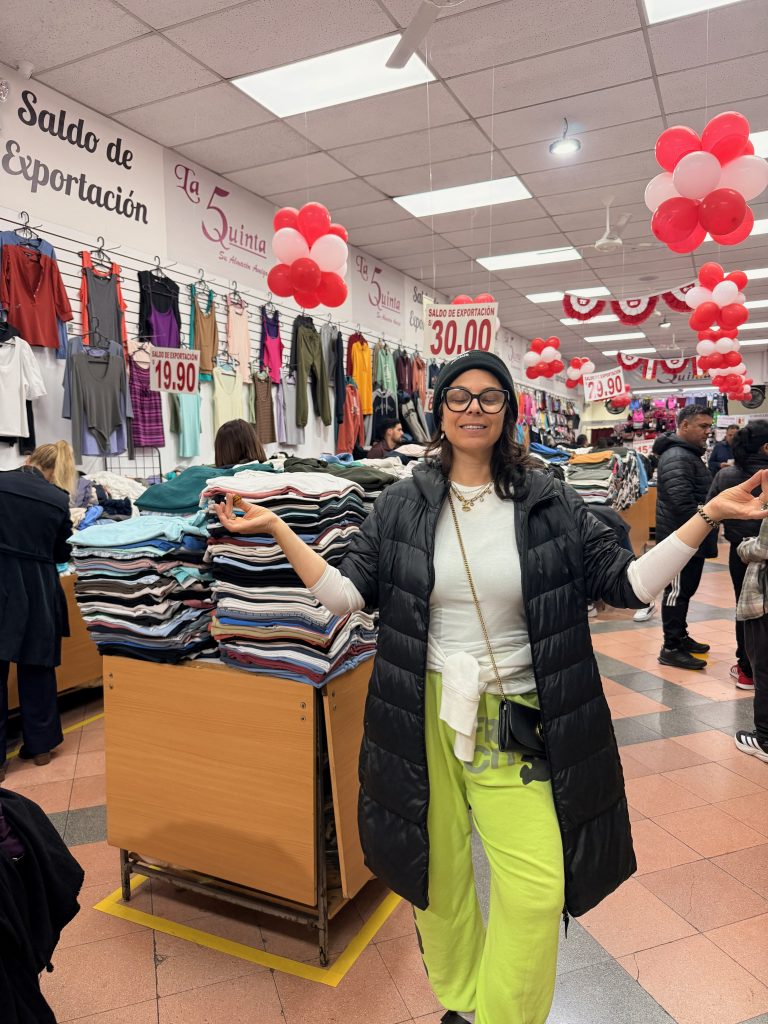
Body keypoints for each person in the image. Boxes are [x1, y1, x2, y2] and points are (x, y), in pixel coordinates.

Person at [215, 351, 768, 1024]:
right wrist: (277, 530)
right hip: (423, 715)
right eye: (460, 396)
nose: (473, 409)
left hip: (517, 713)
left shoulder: (549, 500)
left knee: (536, 886)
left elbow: (628, 586)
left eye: (488, 397)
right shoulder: (400, 505)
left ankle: (505, 1016)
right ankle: (462, 1000)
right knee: (437, 878)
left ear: (507, 411)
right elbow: (346, 596)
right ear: (439, 409)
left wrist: (706, 514)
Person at [0, 442, 75, 781]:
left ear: (28, 460)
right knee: (37, 666)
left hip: (2, 580)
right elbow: (61, 552)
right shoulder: (58, 500)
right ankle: (41, 746)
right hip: (39, 585)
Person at [653, 405, 717, 670]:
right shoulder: (678, 456)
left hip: (691, 538)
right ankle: (670, 647)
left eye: (708, 426)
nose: (707, 431)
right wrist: (710, 518)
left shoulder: (687, 454)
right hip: (681, 540)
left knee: (685, 591)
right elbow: (682, 503)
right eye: (702, 426)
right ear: (684, 426)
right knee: (676, 593)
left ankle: (680, 635)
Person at [707, 419, 768, 690]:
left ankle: (746, 670)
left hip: (740, 553)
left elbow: (709, 512)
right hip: (761, 552)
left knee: (745, 609)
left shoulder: (727, 475)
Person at [733, 513, 768, 762]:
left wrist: (745, 545)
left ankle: (764, 738)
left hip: (764, 603)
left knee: (764, 669)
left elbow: (762, 548)